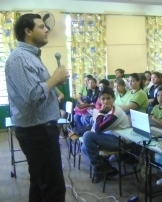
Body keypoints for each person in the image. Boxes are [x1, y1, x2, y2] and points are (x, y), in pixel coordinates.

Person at [5, 14, 68, 202]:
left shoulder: (30, 57)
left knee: (41, 183)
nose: (47, 29)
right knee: (53, 187)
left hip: (40, 129)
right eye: (41, 26)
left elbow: (38, 86)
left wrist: (54, 88)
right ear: (28, 31)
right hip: (37, 131)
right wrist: (55, 78)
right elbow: (32, 95)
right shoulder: (19, 59)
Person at [81, 87, 130, 183]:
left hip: (121, 141)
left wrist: (101, 112)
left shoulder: (115, 112)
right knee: (84, 147)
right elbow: (97, 127)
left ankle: (100, 168)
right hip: (110, 136)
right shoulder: (107, 109)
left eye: (108, 98)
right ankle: (106, 168)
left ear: (114, 98)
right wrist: (101, 113)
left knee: (87, 136)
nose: (105, 101)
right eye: (103, 99)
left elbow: (98, 129)